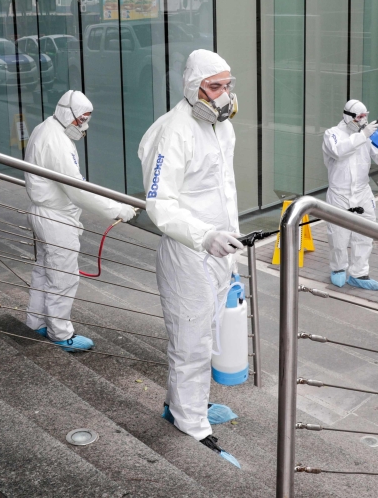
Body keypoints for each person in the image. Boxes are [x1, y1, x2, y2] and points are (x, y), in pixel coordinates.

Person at [138, 49, 243, 468]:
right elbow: (160, 204)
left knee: (207, 333)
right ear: (193, 88)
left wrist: (226, 241)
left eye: (227, 85)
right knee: (191, 342)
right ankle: (189, 421)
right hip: (188, 253)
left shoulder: (221, 128)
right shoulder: (173, 132)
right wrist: (205, 236)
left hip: (219, 250)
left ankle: (187, 403)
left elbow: (224, 190)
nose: (223, 95)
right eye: (215, 87)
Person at [25, 90, 138, 353]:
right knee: (63, 277)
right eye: (80, 119)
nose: (83, 125)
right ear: (67, 114)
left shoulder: (48, 129)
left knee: (45, 270)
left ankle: (37, 320)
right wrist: (118, 209)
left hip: (47, 213)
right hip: (55, 218)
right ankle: (60, 333)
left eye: (86, 119)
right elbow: (78, 190)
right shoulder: (56, 141)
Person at [322, 99, 378, 291]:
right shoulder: (331, 134)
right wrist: (363, 135)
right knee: (338, 236)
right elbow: (339, 151)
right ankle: (338, 269)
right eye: (359, 117)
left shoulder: (366, 135)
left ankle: (359, 273)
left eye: (365, 116)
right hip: (339, 194)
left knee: (365, 234)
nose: (362, 120)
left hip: (362, 192)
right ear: (347, 116)